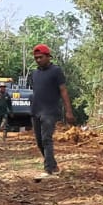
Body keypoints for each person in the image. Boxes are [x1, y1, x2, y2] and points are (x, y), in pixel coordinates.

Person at [28, 44, 73, 180]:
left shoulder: (56, 71)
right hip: (36, 111)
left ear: (48, 57)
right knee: (40, 141)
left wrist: (69, 111)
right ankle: (53, 166)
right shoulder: (34, 73)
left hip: (50, 111)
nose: (38, 60)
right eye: (36, 58)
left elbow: (63, 90)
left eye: (41, 57)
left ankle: (48, 171)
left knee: (47, 139)